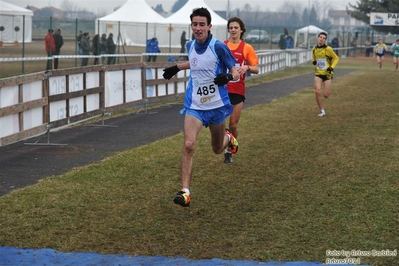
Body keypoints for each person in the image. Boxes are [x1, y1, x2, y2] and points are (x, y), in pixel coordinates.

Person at [162, 7, 240, 207]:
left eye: (202, 24)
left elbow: (236, 71)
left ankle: (228, 138)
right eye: (195, 24)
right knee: (189, 145)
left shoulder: (219, 47)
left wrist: (228, 77)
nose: (198, 28)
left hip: (216, 107)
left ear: (209, 26)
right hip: (194, 105)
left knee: (216, 149)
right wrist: (176, 68)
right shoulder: (190, 45)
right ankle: (185, 192)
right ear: (191, 26)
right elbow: (196, 62)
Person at [223, 17, 259, 164]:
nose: (233, 30)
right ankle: (224, 145)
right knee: (219, 123)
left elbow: (256, 68)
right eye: (230, 27)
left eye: (235, 27)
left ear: (241, 30)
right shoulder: (222, 45)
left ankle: (229, 149)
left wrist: (247, 67)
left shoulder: (247, 48)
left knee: (233, 125)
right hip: (222, 90)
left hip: (237, 90)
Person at [311, 32, 339, 117]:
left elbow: (336, 58)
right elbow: (313, 57)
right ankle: (322, 111)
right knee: (317, 91)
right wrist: (314, 61)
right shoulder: (314, 49)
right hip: (318, 73)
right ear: (317, 38)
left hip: (327, 74)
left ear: (325, 40)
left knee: (326, 95)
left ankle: (325, 86)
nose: (321, 39)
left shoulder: (328, 49)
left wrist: (332, 67)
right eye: (320, 37)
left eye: (323, 38)